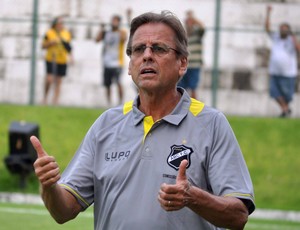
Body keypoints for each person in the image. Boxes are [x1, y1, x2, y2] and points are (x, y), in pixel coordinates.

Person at [30, 11, 255, 230]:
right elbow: (63, 211)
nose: (147, 55)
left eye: (159, 48)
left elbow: (238, 216)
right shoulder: (107, 124)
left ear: (182, 64)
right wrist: (49, 187)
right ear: (130, 66)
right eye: (138, 49)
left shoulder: (211, 124)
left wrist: (192, 197)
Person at [265, 5, 300, 117]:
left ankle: (285, 110)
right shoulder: (276, 37)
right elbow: (267, 28)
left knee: (287, 96)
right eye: (281, 29)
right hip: (275, 71)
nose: (282, 31)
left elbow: (298, 49)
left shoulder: (291, 40)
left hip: (288, 73)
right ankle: (285, 109)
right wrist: (268, 13)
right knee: (274, 93)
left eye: (284, 29)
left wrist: (293, 36)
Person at [95, 14, 127, 106]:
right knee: (107, 85)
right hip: (106, 63)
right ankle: (109, 103)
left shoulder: (122, 32)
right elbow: (97, 40)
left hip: (118, 63)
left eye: (116, 21)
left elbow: (124, 39)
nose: (114, 22)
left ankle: (120, 102)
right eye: (113, 20)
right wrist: (101, 29)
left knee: (118, 82)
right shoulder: (106, 33)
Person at [42, 16, 72, 105]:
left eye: (61, 24)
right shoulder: (49, 33)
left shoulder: (66, 34)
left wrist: (71, 57)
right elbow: (43, 46)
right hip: (51, 58)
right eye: (58, 24)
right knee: (49, 79)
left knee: (59, 81)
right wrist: (50, 43)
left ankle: (55, 100)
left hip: (62, 59)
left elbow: (68, 47)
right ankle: (45, 98)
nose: (60, 25)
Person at [177, 10, 205, 99]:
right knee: (181, 88)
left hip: (195, 65)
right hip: (184, 65)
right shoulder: (183, 36)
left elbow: (202, 27)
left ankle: (193, 109)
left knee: (193, 87)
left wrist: (192, 18)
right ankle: (181, 107)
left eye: (190, 22)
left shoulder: (197, 34)